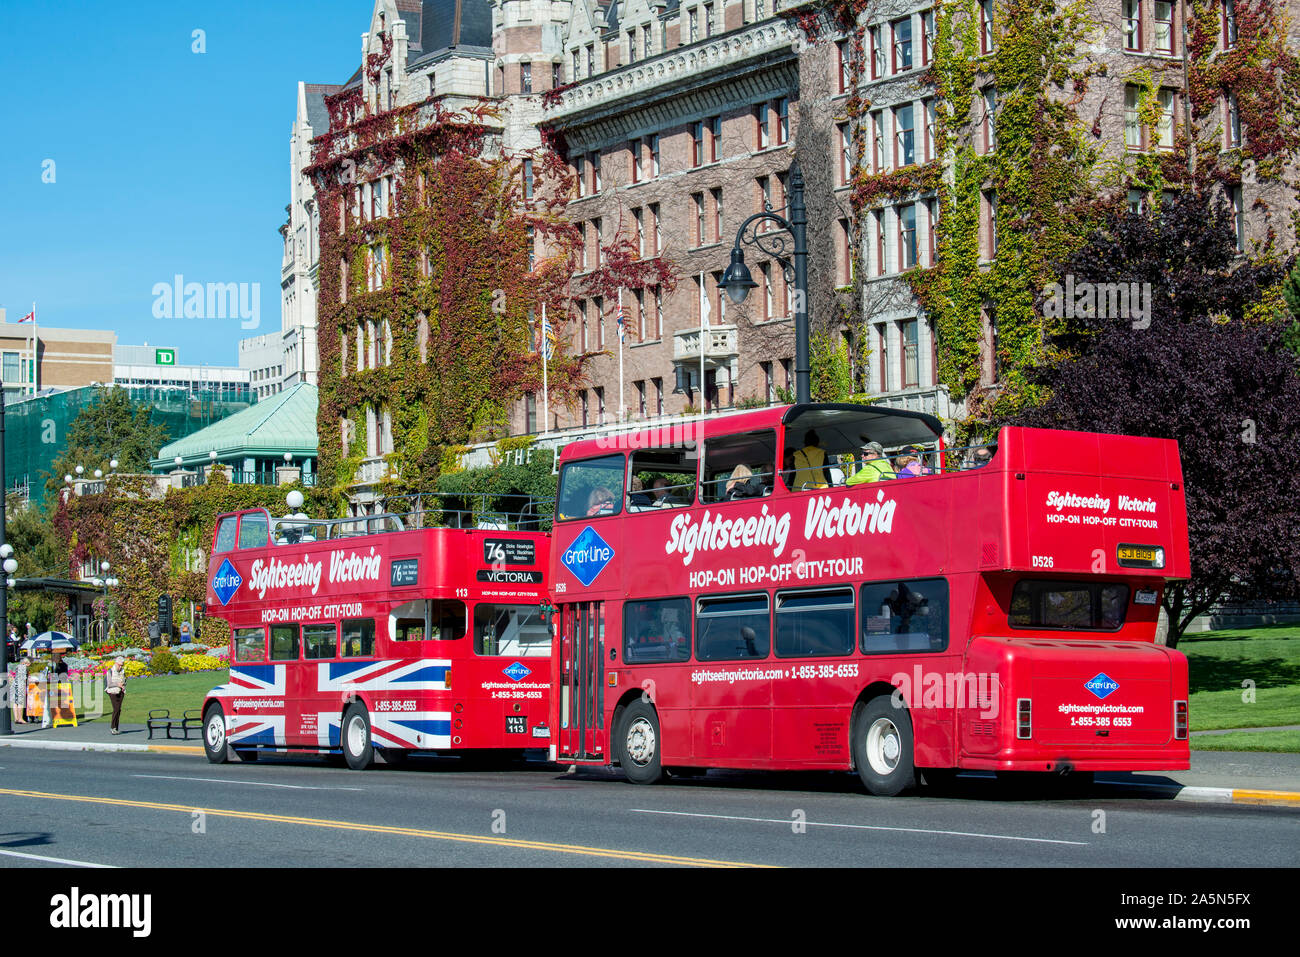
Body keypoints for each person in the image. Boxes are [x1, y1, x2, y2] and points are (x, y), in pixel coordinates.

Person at [105, 656, 127, 734]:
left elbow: (124, 681)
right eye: (119, 665)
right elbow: (109, 684)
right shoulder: (110, 671)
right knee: (116, 708)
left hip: (121, 692)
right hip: (112, 691)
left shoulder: (123, 671)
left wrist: (123, 686)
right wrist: (118, 684)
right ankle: (113, 727)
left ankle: (116, 728)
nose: (120, 667)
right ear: (115, 663)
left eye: (122, 665)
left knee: (119, 709)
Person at [11, 654, 29, 725]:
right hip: (20, 686)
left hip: (14, 686)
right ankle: (20, 718)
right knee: (20, 703)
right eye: (28, 663)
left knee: (15, 702)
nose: (29, 664)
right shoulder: (23, 668)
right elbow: (23, 679)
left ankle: (16, 718)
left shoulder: (17, 667)